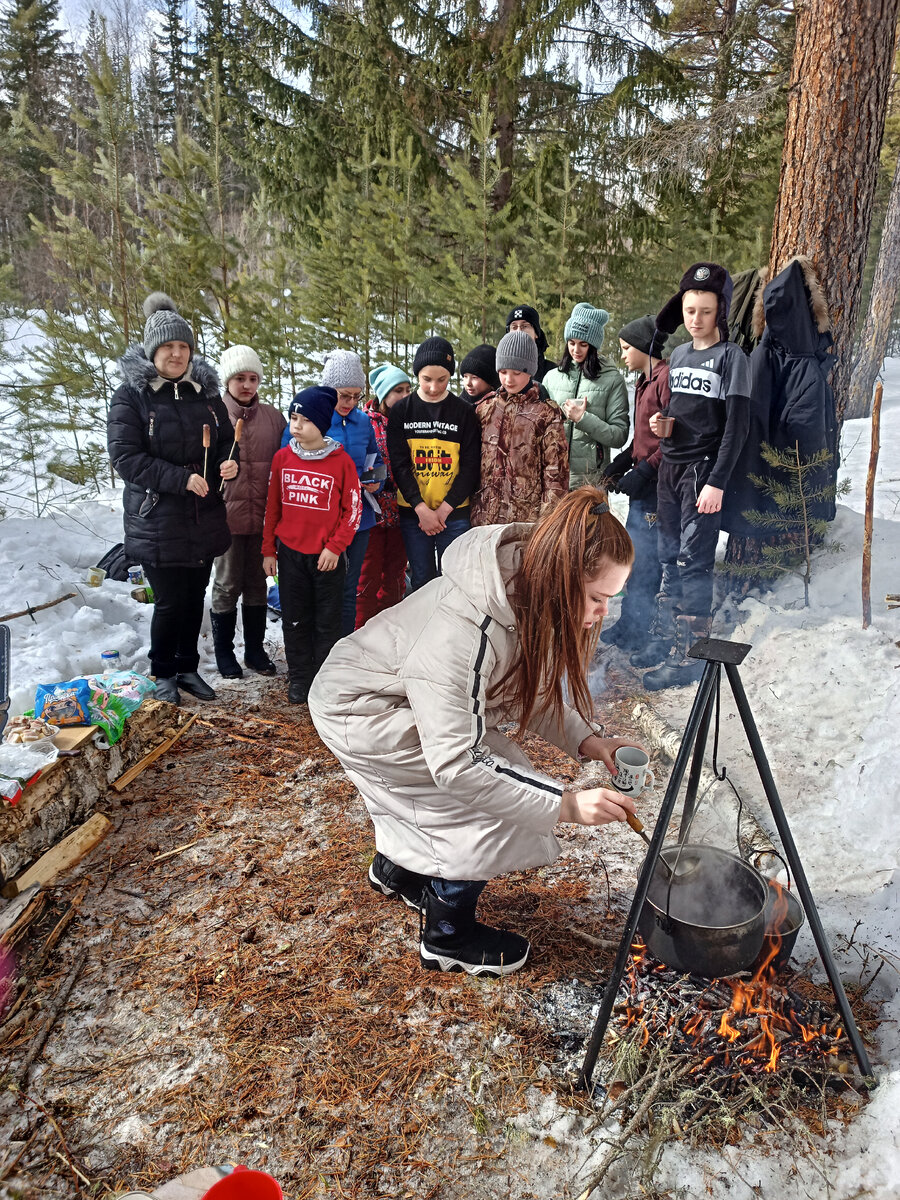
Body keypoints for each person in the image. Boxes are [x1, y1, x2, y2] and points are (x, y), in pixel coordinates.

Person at [309, 487, 644, 976]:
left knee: (481, 774)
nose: (602, 614)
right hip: (362, 711)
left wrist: (590, 741)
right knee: (494, 792)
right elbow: (458, 766)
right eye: (597, 598)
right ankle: (448, 934)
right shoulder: (468, 626)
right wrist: (565, 804)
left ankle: (399, 871)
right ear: (563, 575)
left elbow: (523, 690)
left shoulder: (526, 591)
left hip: (386, 697)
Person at [107, 293, 238, 706]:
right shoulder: (132, 397)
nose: (177, 354)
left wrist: (227, 466)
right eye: (169, 347)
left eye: (184, 347)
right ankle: (163, 670)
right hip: (157, 516)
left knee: (193, 596)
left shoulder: (206, 395)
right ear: (153, 351)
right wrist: (181, 479)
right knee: (168, 601)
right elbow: (126, 458)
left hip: (203, 516)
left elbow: (224, 443)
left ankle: (187, 666)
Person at [637, 261, 751, 691]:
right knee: (668, 553)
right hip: (671, 466)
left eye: (705, 311)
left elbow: (737, 426)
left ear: (720, 311)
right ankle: (667, 638)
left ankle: (691, 655)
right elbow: (683, 414)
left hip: (704, 473)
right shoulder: (680, 356)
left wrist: (717, 482)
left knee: (693, 561)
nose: (696, 320)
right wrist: (663, 427)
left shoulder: (732, 358)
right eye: (689, 311)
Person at [262, 387, 361, 704]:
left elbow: (353, 510)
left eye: (305, 419)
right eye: (293, 417)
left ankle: (325, 679)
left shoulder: (341, 462)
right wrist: (268, 549)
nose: (296, 425)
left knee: (327, 622)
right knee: (294, 620)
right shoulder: (282, 459)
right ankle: (301, 678)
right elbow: (273, 507)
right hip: (291, 555)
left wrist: (335, 546)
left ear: (322, 423)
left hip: (327, 558)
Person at [210, 344, 285, 679]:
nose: (247, 385)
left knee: (258, 583)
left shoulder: (273, 418)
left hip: (264, 518)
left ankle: (254, 651)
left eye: (253, 378)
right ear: (227, 380)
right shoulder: (212, 415)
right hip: (225, 517)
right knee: (227, 584)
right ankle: (225, 653)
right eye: (240, 378)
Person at [386, 336, 481, 591]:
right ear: (417, 374)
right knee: (421, 581)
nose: (433, 387)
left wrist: (444, 510)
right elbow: (400, 464)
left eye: (442, 380)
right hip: (414, 513)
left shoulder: (464, 412)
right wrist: (421, 509)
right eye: (426, 379)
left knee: (454, 582)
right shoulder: (401, 411)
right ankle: (424, 631)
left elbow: (471, 466)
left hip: (454, 512)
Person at [598, 315, 669, 652]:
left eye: (627, 348)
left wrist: (644, 472)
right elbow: (643, 440)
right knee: (634, 555)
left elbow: (672, 442)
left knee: (647, 561)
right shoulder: (643, 382)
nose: (623, 354)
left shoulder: (666, 379)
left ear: (644, 347)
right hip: (644, 484)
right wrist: (622, 461)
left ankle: (641, 627)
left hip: (659, 487)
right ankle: (630, 621)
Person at [470, 330, 568, 526]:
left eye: (517, 373)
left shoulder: (546, 414)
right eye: (503, 372)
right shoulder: (485, 408)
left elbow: (555, 473)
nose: (508, 379)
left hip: (525, 521)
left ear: (531, 371)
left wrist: (547, 520)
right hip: (482, 518)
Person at [320, 350, 385, 636]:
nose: (350, 403)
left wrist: (375, 482)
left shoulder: (363, 423)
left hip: (360, 519)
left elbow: (377, 462)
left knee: (350, 588)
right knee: (324, 587)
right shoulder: (312, 421)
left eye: (357, 396)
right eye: (344, 395)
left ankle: (341, 650)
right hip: (324, 521)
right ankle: (317, 650)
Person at [543, 302, 630, 487]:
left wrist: (583, 418)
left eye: (583, 344)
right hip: (553, 480)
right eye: (571, 343)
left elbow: (619, 435)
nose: (576, 350)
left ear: (594, 345)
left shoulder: (612, 379)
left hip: (591, 481)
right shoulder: (552, 378)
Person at [355, 363, 411, 627]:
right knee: (367, 580)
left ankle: (388, 636)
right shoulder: (364, 423)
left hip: (403, 515)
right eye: (398, 390)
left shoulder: (412, 422)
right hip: (372, 516)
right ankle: (360, 635)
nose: (405, 395)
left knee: (395, 579)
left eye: (408, 389)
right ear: (382, 394)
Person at [505, 304, 556, 381]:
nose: (519, 331)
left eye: (525, 326)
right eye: (514, 327)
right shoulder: (501, 370)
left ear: (536, 333)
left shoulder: (552, 372)